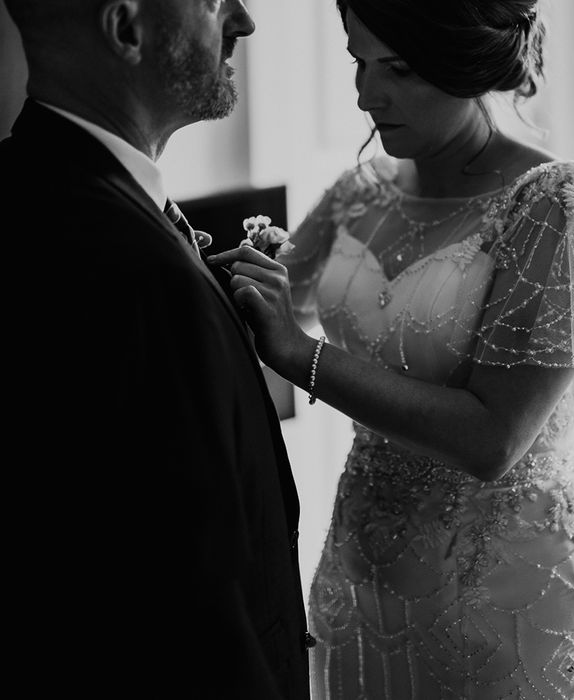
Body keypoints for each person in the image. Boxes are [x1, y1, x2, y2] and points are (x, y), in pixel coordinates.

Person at [210, 0, 574, 697]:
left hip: (507, 579)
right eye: (359, 61)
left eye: (399, 69)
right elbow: (276, 295)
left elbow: (493, 438)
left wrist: (301, 356)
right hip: (364, 562)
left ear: (466, 63)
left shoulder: (554, 206)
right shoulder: (361, 191)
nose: (365, 94)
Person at [1, 1, 311, 698]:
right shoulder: (135, 272)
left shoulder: (34, 189)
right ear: (127, 29)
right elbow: (189, 612)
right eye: (212, 3)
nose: (244, 21)